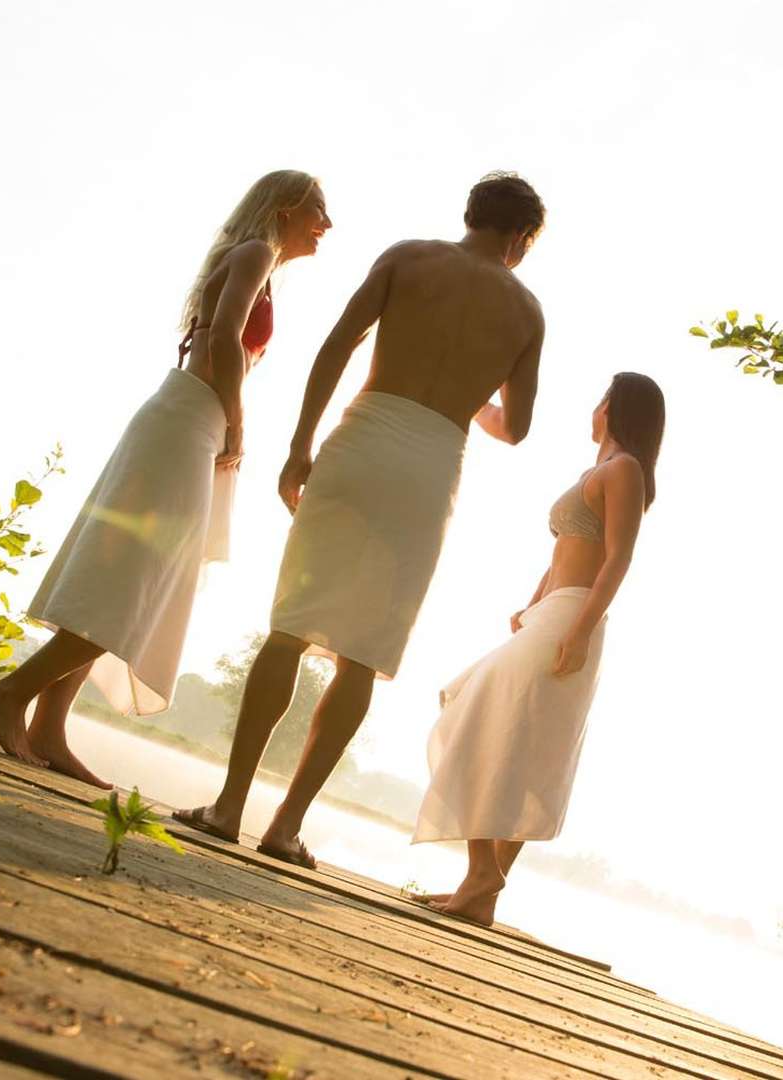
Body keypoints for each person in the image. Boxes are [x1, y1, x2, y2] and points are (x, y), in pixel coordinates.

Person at [175, 172, 547, 867]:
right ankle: (286, 826)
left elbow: (338, 346)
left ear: (471, 215)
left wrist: (298, 447)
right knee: (362, 655)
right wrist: (464, 398)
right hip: (431, 467)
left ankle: (228, 807)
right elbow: (516, 427)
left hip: (362, 440)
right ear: (521, 238)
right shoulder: (526, 312)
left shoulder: (408, 257)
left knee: (288, 630)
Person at [0, 170, 332, 787]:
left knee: (130, 582)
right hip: (188, 419)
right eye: (319, 211)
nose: (328, 225)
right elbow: (222, 335)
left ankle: (49, 729)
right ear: (286, 208)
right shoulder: (253, 253)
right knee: (137, 583)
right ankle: (11, 694)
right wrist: (237, 424)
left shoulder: (262, 266)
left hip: (190, 419)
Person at [412, 372, 665, 926]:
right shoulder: (595, 472)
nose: (592, 408)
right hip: (552, 613)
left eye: (600, 399)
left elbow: (617, 558)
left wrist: (578, 630)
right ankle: (481, 894)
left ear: (614, 409)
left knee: (478, 715)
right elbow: (566, 554)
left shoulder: (623, 471)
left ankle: (483, 874)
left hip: (575, 617)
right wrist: (531, 603)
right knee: (511, 738)